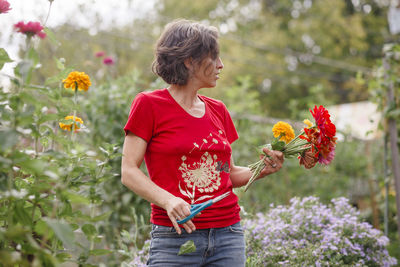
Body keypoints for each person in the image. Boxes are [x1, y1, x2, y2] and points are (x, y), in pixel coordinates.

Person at [121, 19, 284, 267]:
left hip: (228, 236)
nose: (221, 65)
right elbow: (128, 171)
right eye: (213, 57)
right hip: (174, 237)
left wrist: (262, 168)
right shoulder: (149, 105)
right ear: (189, 60)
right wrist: (168, 200)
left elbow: (226, 175)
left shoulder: (219, 110)